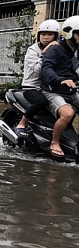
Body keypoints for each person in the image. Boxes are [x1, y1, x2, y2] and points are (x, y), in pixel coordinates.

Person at [41, 15, 79, 158]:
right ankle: (55, 142)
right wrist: (60, 80)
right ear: (70, 33)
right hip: (52, 90)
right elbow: (47, 69)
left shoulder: (75, 51)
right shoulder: (55, 49)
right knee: (68, 114)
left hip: (70, 90)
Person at [14, 20, 61, 137]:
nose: (45, 37)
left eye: (49, 35)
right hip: (31, 86)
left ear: (56, 36)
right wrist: (45, 52)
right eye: (43, 34)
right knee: (41, 102)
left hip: (48, 87)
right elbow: (37, 70)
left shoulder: (59, 50)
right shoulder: (33, 50)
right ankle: (22, 123)